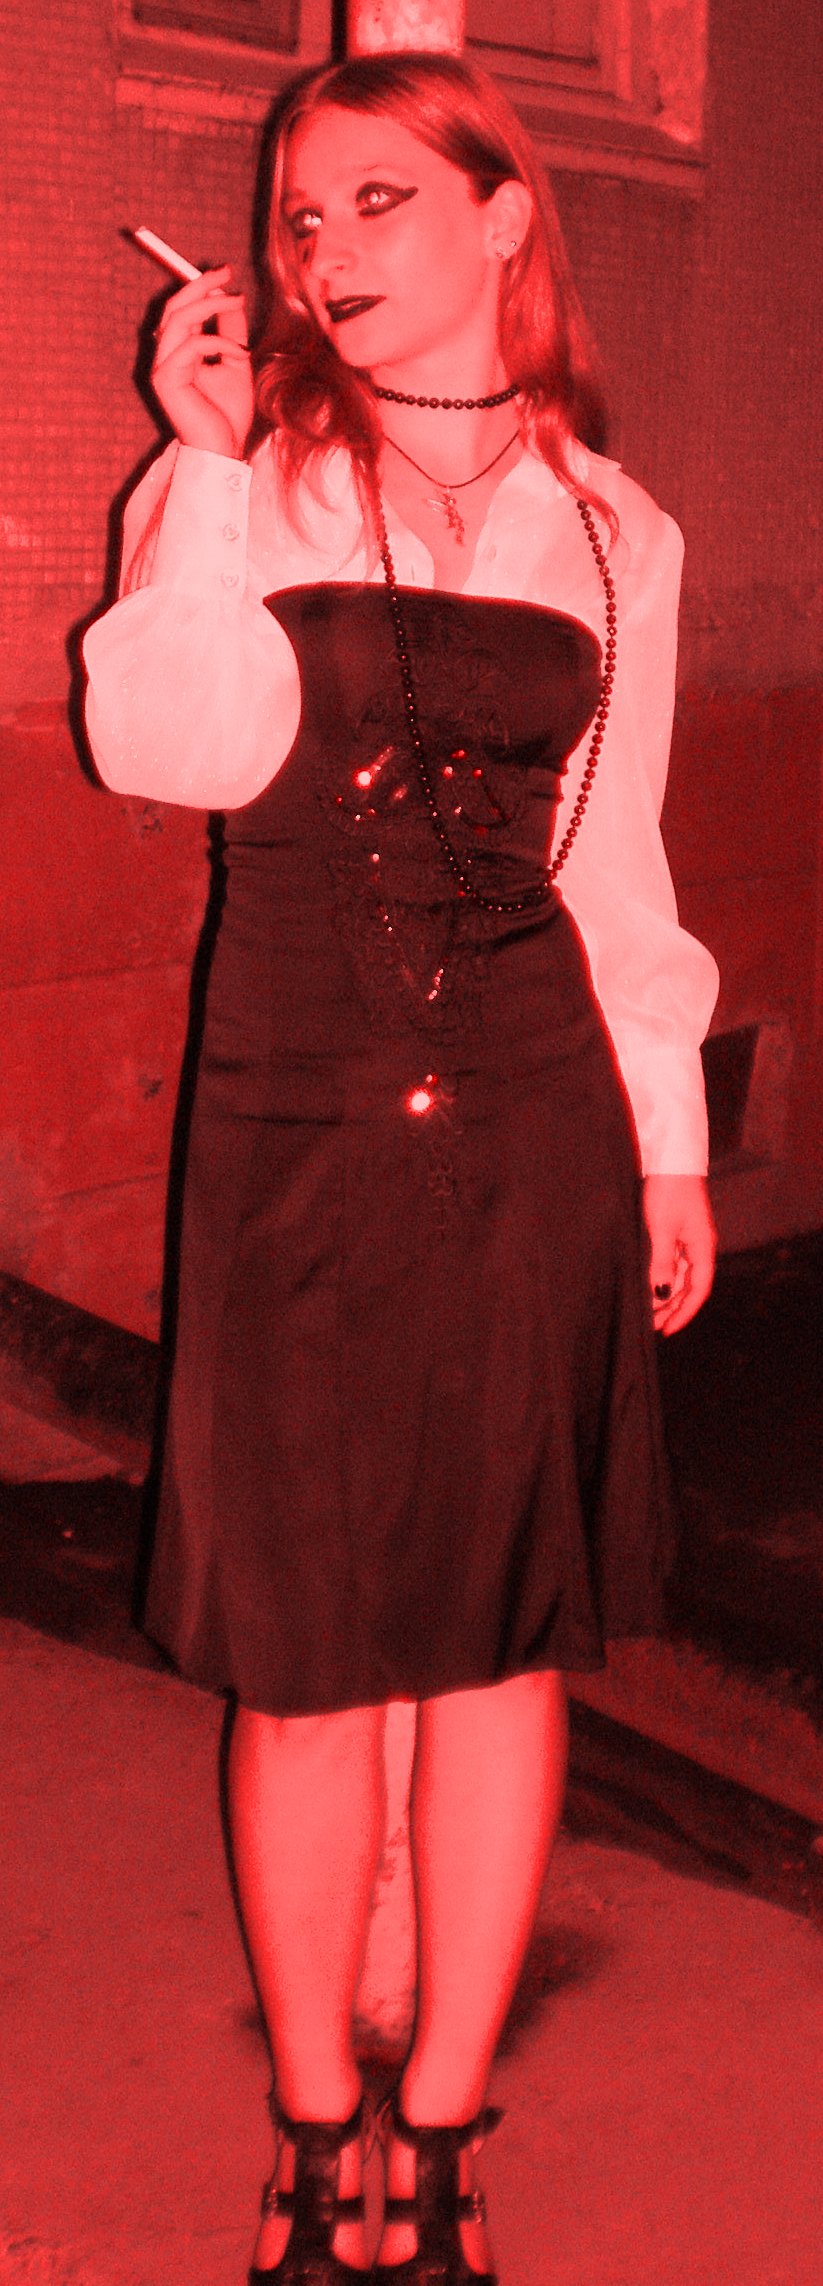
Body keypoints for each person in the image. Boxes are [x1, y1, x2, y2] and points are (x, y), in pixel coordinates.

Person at [83, 49, 719, 2286]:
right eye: (300, 214)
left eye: (377, 199)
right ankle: (309, 2131)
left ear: (502, 213)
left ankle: (437, 2145)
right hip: (295, 1116)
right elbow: (158, 749)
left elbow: (615, 865)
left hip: (538, 1116)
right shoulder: (246, 477)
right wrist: (199, 466)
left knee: (503, 1642)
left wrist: (667, 1146)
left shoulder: (618, 528)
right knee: (308, 1656)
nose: (323, 249)